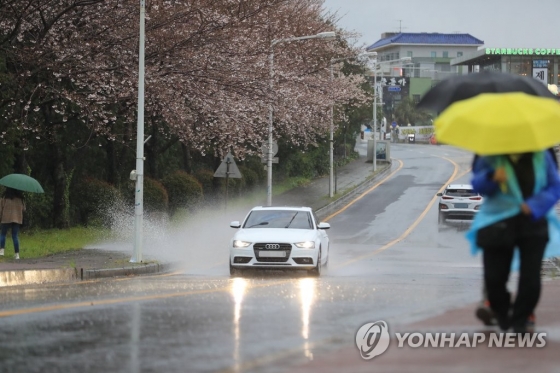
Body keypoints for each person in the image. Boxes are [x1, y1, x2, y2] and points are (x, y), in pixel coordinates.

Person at [467, 150, 560, 333]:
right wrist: (492, 177)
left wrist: (535, 205)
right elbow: (477, 183)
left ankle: (521, 319)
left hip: (532, 222)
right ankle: (502, 314)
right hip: (497, 223)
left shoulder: (542, 155)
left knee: (530, 278)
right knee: (494, 278)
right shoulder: (491, 155)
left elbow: (554, 186)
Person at [0, 187, 26, 259]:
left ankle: (2, 250)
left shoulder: (5, 197)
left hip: (6, 218)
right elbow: (24, 209)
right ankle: (17, 254)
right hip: (17, 219)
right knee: (15, 236)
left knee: (3, 234)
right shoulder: (20, 199)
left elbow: (0, 208)